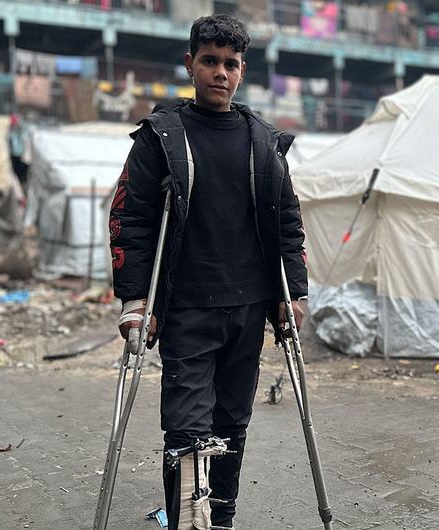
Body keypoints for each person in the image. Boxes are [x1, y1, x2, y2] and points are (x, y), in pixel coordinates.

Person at [108, 13, 308, 530]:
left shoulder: (263, 142)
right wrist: (136, 302)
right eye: (210, 61)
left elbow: (287, 222)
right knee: (186, 429)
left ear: (242, 70)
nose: (221, 72)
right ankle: (186, 523)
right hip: (186, 309)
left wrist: (293, 294)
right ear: (190, 64)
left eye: (231, 64)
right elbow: (131, 219)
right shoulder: (161, 137)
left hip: (249, 308)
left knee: (232, 424)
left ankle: (220, 522)